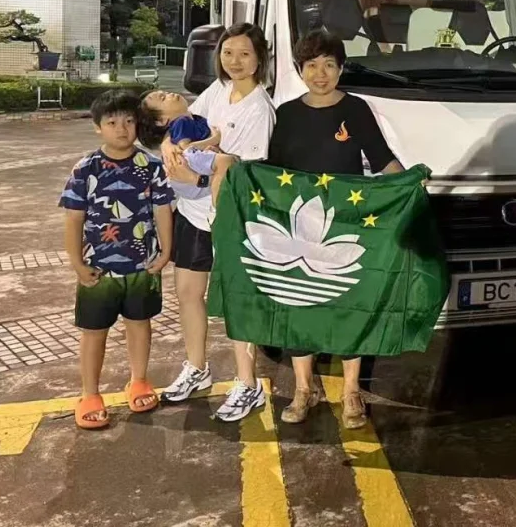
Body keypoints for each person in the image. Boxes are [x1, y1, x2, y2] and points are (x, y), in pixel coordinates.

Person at [263, 29, 405, 427]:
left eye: (329, 65)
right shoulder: (286, 114)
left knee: (347, 306)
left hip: (345, 225)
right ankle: (304, 389)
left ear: (341, 69)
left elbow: (382, 159)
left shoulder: (356, 109)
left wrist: (410, 184)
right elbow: (272, 172)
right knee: (300, 306)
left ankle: (352, 391)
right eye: (311, 65)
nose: (320, 74)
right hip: (298, 227)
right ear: (300, 70)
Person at [159, 23, 277, 421]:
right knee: (188, 292)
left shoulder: (260, 109)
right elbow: (188, 121)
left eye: (244, 54)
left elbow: (245, 172)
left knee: (236, 302)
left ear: (259, 59)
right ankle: (197, 368)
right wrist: (169, 144)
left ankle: (248, 384)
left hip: (229, 218)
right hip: (193, 214)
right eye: (228, 53)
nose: (235, 61)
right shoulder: (218, 90)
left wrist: (197, 178)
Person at [59, 90, 173, 429]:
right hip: (98, 270)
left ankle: (139, 380)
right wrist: (77, 264)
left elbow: (162, 210)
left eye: (129, 121)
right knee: (94, 331)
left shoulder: (151, 166)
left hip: (143, 267)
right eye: (112, 122)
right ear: (98, 127)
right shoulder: (86, 168)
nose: (122, 129)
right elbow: (74, 219)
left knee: (140, 324)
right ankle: (90, 394)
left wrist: (166, 251)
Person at [137, 89, 235, 209]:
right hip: (185, 164)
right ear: (161, 121)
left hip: (189, 178)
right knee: (225, 161)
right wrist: (215, 139)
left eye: (166, 93)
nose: (170, 94)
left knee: (224, 168)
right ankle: (221, 210)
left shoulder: (193, 117)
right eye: (163, 98)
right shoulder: (182, 122)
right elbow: (185, 147)